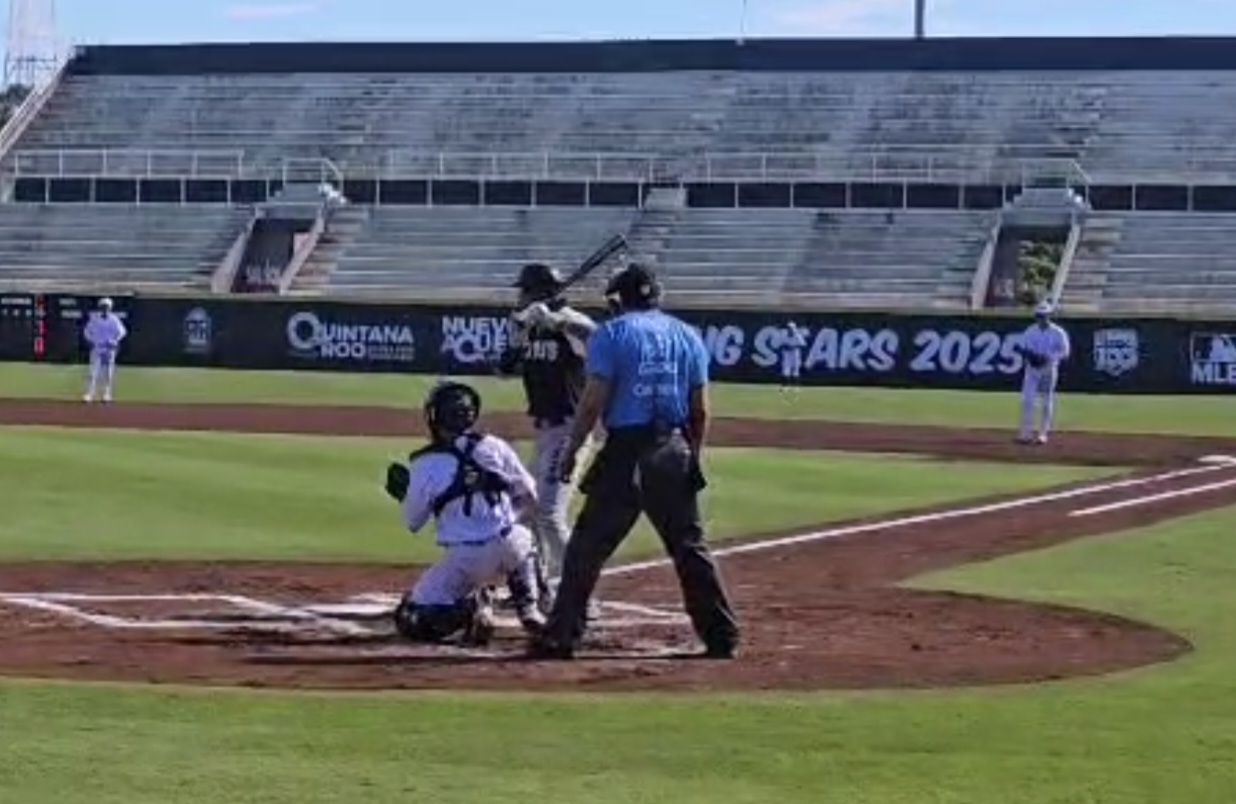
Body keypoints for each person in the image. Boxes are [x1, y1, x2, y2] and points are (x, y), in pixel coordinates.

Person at [528, 263, 741, 661]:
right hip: (672, 446)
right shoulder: (687, 335)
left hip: (625, 450)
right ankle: (722, 636)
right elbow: (700, 409)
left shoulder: (610, 334)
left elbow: (592, 402)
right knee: (689, 548)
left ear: (617, 300)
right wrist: (693, 455)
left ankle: (562, 634)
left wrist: (571, 451)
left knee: (587, 548)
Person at [382, 381, 548, 646]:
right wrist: (504, 517)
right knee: (524, 539)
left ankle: (471, 608)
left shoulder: (425, 463)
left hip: (465, 558)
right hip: (511, 544)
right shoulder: (495, 445)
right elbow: (530, 496)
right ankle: (530, 607)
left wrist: (406, 494)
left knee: (410, 617)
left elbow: (413, 521)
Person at [495, 262, 601, 619]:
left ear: (538, 291)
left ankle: (581, 596)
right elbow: (503, 368)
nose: (519, 297)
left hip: (571, 430)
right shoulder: (528, 324)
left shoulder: (569, 321)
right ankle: (536, 587)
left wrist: (556, 322)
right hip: (544, 431)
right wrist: (521, 332)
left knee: (550, 515)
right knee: (526, 510)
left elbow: (597, 340)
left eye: (523, 290)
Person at [1017, 300, 1072, 445]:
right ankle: (1025, 433)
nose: (1041, 318)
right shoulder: (1030, 331)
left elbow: (1065, 352)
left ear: (1049, 315)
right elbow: (1022, 348)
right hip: (1032, 369)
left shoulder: (1058, 332)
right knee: (1027, 400)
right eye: (1039, 315)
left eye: (1044, 315)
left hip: (1049, 369)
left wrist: (1049, 357)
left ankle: (1043, 434)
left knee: (1046, 401)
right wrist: (1032, 357)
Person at [82, 297, 127, 403]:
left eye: (107, 307)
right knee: (93, 372)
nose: (105, 308)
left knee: (108, 373)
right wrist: (90, 341)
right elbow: (87, 332)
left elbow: (122, 332)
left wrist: (115, 341)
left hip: (109, 349)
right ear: (100, 307)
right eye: (103, 306)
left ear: (110, 308)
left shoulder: (114, 319)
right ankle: (89, 394)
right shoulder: (94, 319)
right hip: (97, 348)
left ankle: (106, 394)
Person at [779, 321, 808, 388]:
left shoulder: (798, 336)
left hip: (795, 354)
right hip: (786, 355)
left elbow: (803, 345)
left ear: (794, 328)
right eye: (788, 328)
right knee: (785, 370)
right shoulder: (784, 335)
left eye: (791, 328)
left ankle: (796, 387)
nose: (790, 329)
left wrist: (793, 347)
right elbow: (781, 345)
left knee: (796, 370)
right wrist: (785, 346)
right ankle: (785, 387)